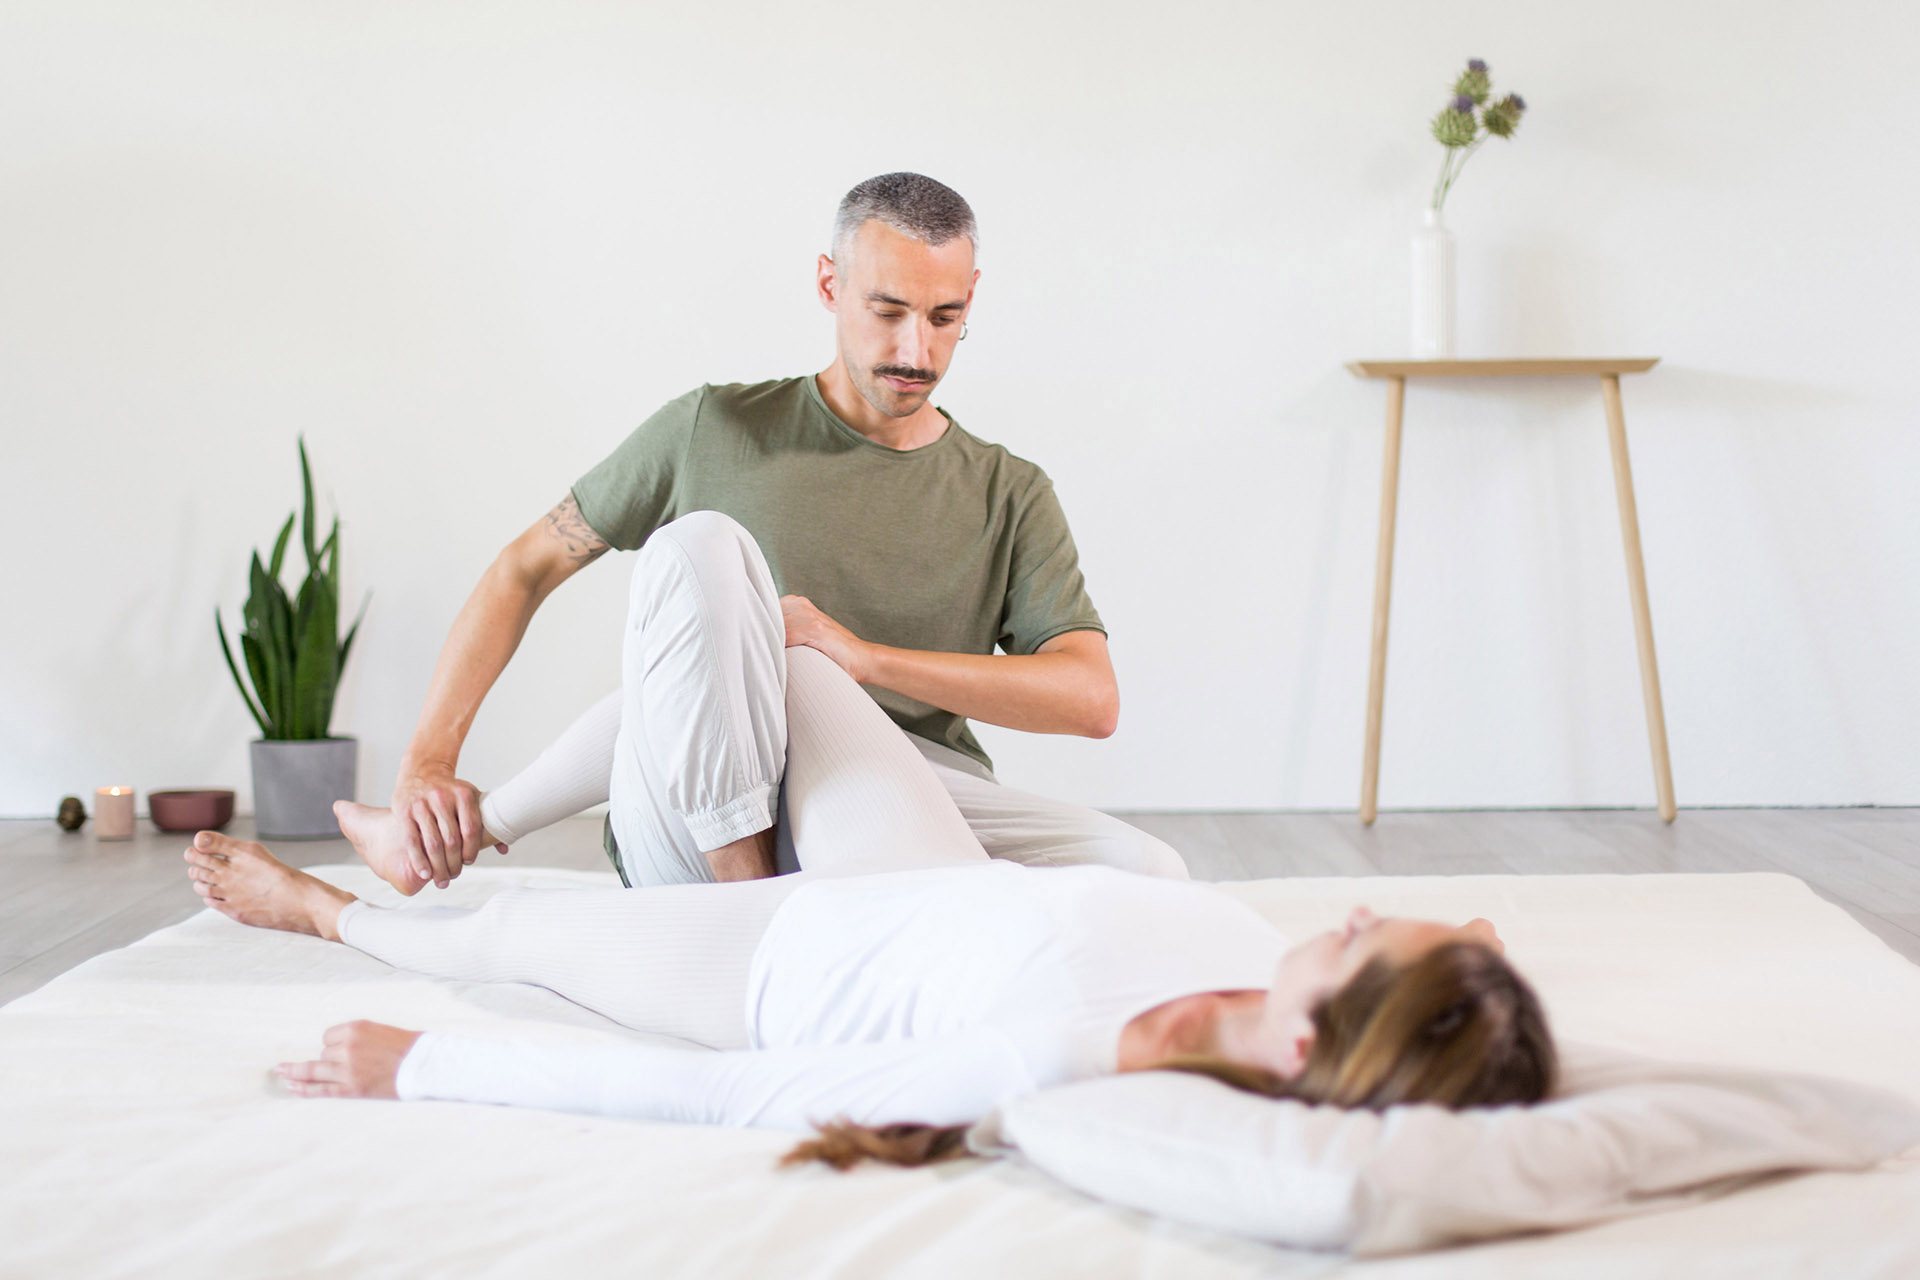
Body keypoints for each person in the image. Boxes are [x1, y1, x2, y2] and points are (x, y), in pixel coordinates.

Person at [186, 629, 1557, 1169]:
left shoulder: (1063, 1068)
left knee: (508, 934)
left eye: (1373, 944)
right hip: (918, 877)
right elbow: (1449, 1003)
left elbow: (737, 1101)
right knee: (801, 669)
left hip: (772, 963)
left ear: (1310, 1054)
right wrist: (1475, 968)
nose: (1365, 913)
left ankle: (326, 909)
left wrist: (423, 1068)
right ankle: (472, 817)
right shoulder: (1259, 960)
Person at [371, 171, 1182, 894]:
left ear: (974, 296)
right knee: (707, 550)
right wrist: (426, 765)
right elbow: (525, 569)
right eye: (888, 310)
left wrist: (864, 659)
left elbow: (1089, 697)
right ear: (830, 285)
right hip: (699, 823)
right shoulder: (712, 428)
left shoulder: (1009, 489)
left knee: (1153, 874)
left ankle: (787, 920)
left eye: (945, 317)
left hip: (915, 792)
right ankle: (755, 896)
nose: (916, 350)